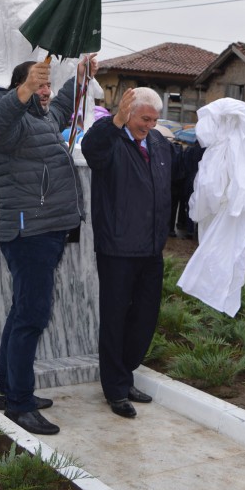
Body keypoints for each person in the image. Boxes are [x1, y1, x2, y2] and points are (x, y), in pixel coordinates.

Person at [0, 53, 97, 436]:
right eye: (38, 85)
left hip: (46, 231)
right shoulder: (7, 122)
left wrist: (79, 77)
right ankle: (20, 404)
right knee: (32, 317)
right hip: (29, 234)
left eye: (46, 84)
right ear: (21, 87)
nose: (45, 91)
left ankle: (7, 390)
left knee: (21, 315)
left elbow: (64, 105)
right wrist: (24, 89)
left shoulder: (41, 116)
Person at [81, 86, 201, 419]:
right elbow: (91, 149)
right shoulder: (110, 141)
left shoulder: (161, 144)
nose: (148, 125)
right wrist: (116, 120)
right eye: (143, 118)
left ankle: (125, 372)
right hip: (117, 247)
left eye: (153, 119)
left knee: (145, 317)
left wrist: (212, 142)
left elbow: (181, 168)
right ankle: (115, 388)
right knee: (116, 318)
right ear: (128, 113)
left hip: (151, 248)